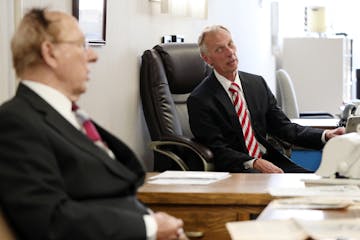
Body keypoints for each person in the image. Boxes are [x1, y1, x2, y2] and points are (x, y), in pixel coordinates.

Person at [0, 8, 188, 240]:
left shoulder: (70, 116)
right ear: (50, 53)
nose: (93, 55)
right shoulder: (16, 122)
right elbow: (49, 220)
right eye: (81, 45)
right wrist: (148, 227)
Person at [187, 25, 345, 173]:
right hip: (237, 170)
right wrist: (253, 162)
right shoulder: (200, 99)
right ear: (207, 59)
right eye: (220, 49)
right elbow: (217, 149)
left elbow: (283, 127)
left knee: (324, 183)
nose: (230, 52)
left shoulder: (257, 84)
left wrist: (325, 135)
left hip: (272, 162)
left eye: (231, 44)